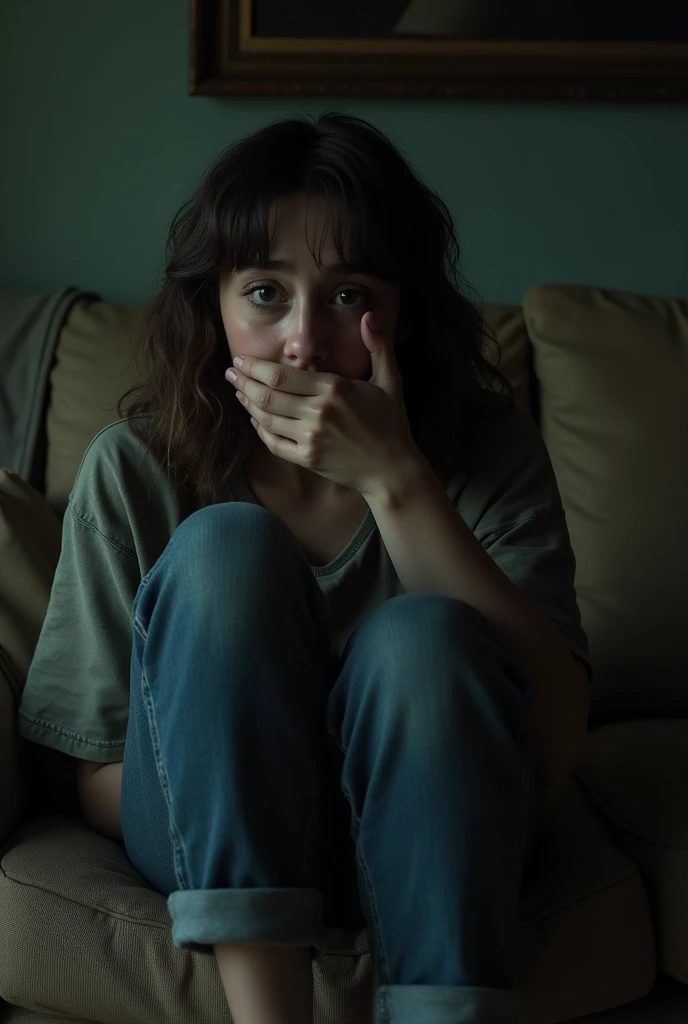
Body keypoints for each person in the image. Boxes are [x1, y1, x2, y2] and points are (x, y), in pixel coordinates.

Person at [17, 112, 592, 1024]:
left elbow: (554, 748)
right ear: (215, 303)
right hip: (212, 838)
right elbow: (93, 771)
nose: (303, 345)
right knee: (226, 547)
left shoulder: (491, 453)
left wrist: (397, 481)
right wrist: (268, 791)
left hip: (437, 825)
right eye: (265, 293)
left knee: (426, 636)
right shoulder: (136, 467)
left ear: (402, 309)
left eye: (348, 294)